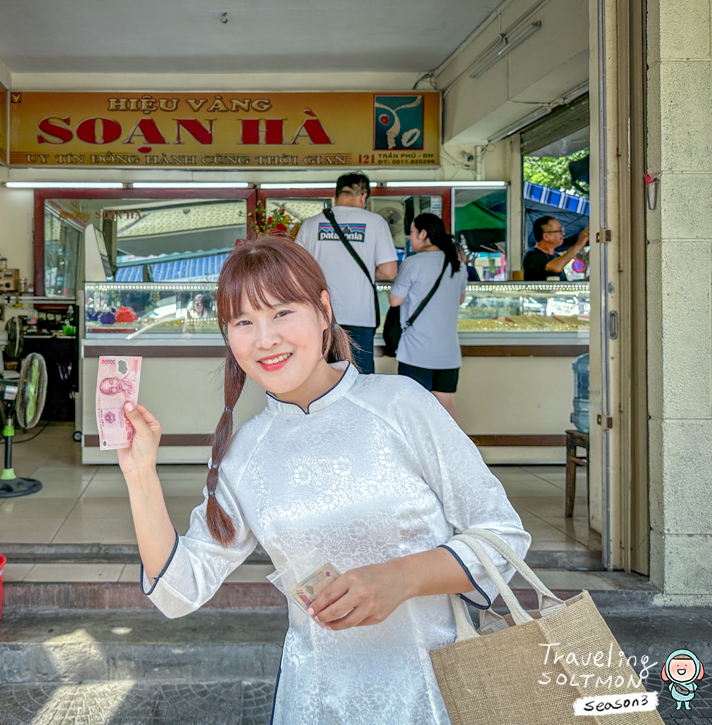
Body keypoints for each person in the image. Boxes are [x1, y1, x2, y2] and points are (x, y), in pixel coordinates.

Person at [117, 237, 530, 724]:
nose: (265, 339)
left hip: (433, 695)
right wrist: (140, 474)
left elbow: (504, 538)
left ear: (324, 309)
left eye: (282, 312)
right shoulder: (244, 454)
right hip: (314, 702)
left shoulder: (400, 404)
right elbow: (178, 591)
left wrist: (400, 578)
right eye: (243, 322)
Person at [295, 172, 397, 374]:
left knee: (321, 377)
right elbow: (389, 271)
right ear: (363, 197)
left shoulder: (311, 224)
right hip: (360, 316)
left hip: (321, 316)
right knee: (359, 381)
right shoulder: (376, 223)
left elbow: (296, 270)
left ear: (336, 196)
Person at [389, 214, 467, 424]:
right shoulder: (457, 264)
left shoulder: (413, 263)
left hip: (416, 351)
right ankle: (453, 454)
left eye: (412, 232)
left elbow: (395, 300)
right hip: (448, 353)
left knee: (414, 408)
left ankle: (417, 455)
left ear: (423, 234)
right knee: (447, 405)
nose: (410, 238)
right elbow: (460, 299)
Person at [523, 216, 589, 281]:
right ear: (546, 236)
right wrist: (578, 245)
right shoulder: (532, 256)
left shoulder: (556, 256)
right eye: (559, 231)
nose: (563, 233)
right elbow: (554, 268)